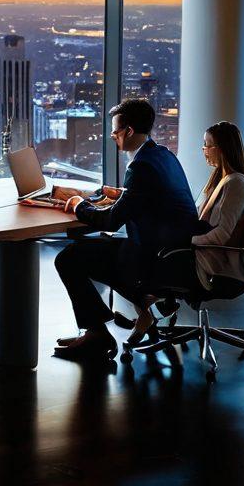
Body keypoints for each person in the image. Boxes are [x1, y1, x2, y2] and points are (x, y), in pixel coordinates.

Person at [53, 98, 198, 361]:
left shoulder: (140, 166)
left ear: (129, 131)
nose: (112, 136)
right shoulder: (163, 154)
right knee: (98, 251)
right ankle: (143, 306)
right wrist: (122, 194)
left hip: (153, 256)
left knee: (69, 258)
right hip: (172, 250)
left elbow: (110, 221)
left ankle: (97, 333)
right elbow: (152, 197)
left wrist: (77, 205)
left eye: (115, 131)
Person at [151, 121, 244, 296]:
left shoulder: (236, 184)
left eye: (207, 145)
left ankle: (148, 309)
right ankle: (150, 309)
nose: (204, 150)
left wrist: (188, 241)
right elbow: (201, 214)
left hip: (213, 266)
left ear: (221, 148)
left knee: (147, 264)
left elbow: (222, 235)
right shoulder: (226, 180)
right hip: (210, 257)